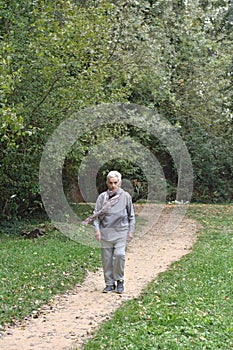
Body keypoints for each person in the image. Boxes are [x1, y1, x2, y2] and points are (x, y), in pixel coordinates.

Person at [92, 171, 135, 293]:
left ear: (120, 183)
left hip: (121, 231)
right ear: (107, 183)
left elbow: (131, 215)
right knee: (107, 259)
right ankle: (109, 283)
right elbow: (95, 216)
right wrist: (97, 231)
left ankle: (120, 280)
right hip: (106, 231)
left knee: (119, 255)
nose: (113, 185)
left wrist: (131, 231)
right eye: (110, 183)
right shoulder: (102, 198)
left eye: (116, 183)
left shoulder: (126, 197)